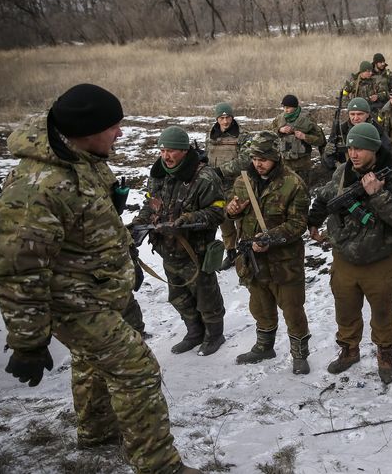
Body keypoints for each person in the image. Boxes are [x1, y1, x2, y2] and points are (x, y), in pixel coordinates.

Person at [0, 84, 200, 473]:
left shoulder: (80, 157)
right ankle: (160, 466)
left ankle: (97, 430)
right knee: (136, 370)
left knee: (92, 362)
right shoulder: (40, 186)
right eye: (113, 127)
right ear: (87, 129)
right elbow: (17, 269)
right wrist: (28, 342)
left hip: (102, 290)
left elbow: (80, 224)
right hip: (76, 302)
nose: (120, 134)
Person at [307, 123, 392, 385]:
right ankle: (349, 350)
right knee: (345, 309)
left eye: (359, 149)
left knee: (382, 312)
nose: (353, 154)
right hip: (344, 256)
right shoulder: (344, 172)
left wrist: (378, 196)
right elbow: (325, 197)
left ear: (374, 149)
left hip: (380, 259)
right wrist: (313, 219)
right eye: (350, 148)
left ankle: (385, 353)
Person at [132, 125, 227, 357]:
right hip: (168, 250)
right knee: (179, 297)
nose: (166, 155)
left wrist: (187, 220)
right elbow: (151, 204)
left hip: (197, 251)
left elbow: (218, 212)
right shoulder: (157, 174)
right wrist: (137, 225)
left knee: (206, 297)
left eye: (172, 150)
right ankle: (194, 333)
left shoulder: (205, 177)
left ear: (184, 151)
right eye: (163, 150)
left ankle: (214, 335)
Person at [225, 132, 312, 374]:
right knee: (260, 305)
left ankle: (300, 354)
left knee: (293, 309)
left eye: (264, 158)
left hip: (284, 262)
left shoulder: (293, 184)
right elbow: (234, 215)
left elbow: (298, 224)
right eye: (254, 158)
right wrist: (232, 211)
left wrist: (270, 238)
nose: (258, 163)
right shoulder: (243, 182)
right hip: (253, 260)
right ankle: (264, 347)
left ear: (276, 157)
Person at [205, 102, 252, 270]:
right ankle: (230, 251)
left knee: (240, 217)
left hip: (238, 184)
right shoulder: (211, 135)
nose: (225, 121)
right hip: (217, 186)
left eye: (228, 117)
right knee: (223, 219)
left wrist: (221, 171)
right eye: (222, 118)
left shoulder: (243, 135)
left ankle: (244, 251)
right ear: (217, 118)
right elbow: (208, 156)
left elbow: (246, 159)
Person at [271, 94, 326, 188]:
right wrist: (280, 130)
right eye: (284, 107)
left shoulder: (307, 119)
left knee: (303, 189)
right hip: (285, 163)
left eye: (288, 107)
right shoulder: (280, 118)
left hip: (303, 164)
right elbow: (269, 133)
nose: (285, 110)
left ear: (295, 107)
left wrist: (304, 136)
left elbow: (320, 140)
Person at [323, 97, 392, 161]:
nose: (355, 118)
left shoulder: (377, 131)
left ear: (368, 114)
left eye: (360, 114)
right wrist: (327, 155)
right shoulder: (340, 130)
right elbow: (328, 164)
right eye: (352, 114)